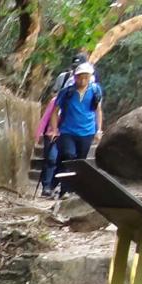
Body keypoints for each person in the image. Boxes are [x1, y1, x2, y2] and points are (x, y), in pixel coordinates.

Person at [40, 62, 103, 198]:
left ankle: (69, 189)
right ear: (75, 77)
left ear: (90, 77)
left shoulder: (95, 90)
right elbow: (55, 111)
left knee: (79, 161)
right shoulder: (67, 92)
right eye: (80, 77)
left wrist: (98, 130)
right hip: (67, 131)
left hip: (87, 131)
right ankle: (64, 189)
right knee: (69, 156)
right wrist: (54, 130)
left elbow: (98, 110)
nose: (83, 81)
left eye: (86, 77)